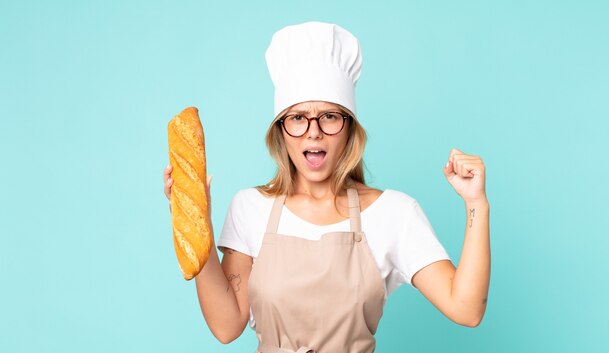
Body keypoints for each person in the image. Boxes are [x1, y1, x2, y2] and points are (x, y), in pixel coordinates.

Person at [163, 21, 490, 353]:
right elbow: (226, 326)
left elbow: (466, 309)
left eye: (330, 116)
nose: (313, 132)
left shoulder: (394, 214)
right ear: (280, 130)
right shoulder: (250, 207)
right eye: (298, 118)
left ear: (349, 128)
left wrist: (476, 202)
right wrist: (194, 219)